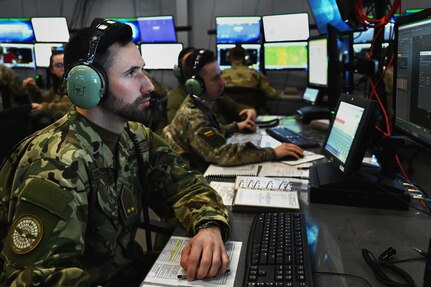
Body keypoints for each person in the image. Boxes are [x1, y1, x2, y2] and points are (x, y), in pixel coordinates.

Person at [0, 19, 230, 286]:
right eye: (132, 73)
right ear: (87, 85)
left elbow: (186, 185)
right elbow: (33, 280)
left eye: (142, 70)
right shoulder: (57, 165)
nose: (149, 86)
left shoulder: (135, 136)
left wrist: (208, 227)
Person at [163, 49, 304, 173]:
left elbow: (211, 136)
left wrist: (236, 126)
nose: (223, 82)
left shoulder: (201, 104)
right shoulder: (193, 116)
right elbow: (222, 154)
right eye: (215, 78)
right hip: (194, 180)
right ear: (196, 86)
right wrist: (273, 152)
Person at [167, 46, 256, 125]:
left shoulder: (211, 93)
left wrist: (250, 111)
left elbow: (234, 108)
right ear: (196, 83)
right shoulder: (179, 103)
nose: (223, 83)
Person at [222, 45, 280, 113]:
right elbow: (272, 94)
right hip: (251, 114)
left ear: (229, 59)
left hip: (227, 116)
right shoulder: (255, 74)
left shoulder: (221, 75)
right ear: (245, 59)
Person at [22, 50, 72, 128]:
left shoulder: (73, 83)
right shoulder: (58, 84)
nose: (64, 68)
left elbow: (68, 108)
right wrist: (33, 88)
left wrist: (43, 108)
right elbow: (42, 101)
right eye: (59, 65)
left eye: (66, 64)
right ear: (52, 69)